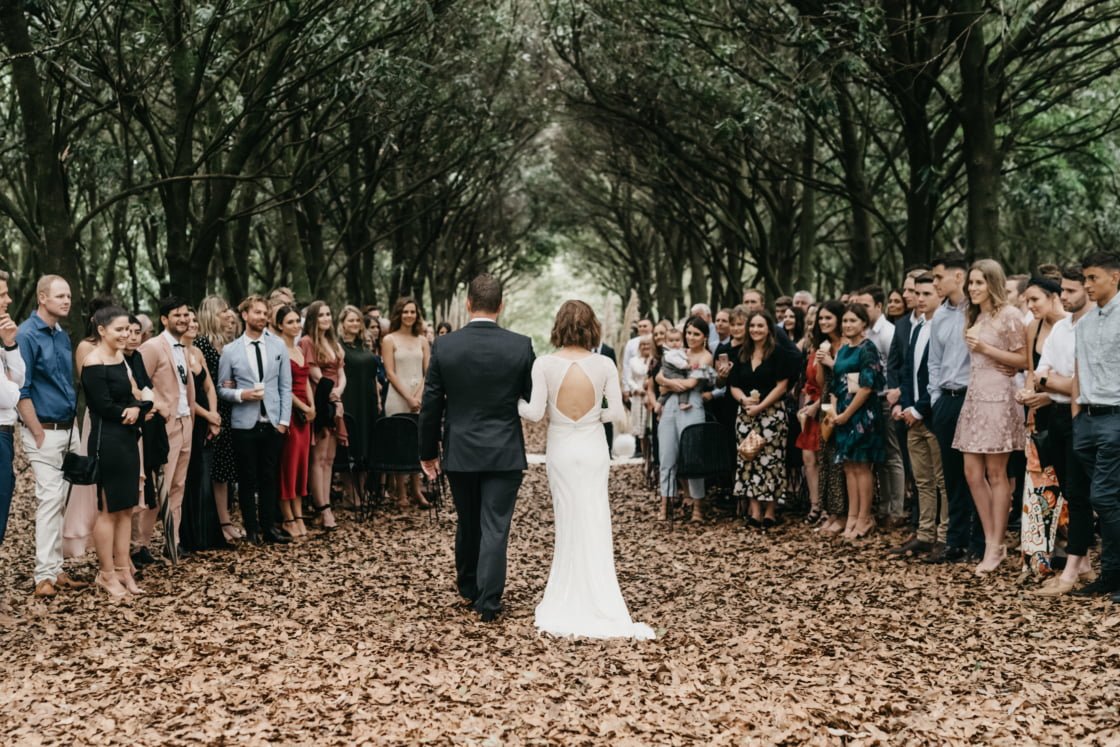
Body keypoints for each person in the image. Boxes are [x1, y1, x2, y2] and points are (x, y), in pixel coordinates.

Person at [516, 300, 654, 639]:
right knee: (595, 515)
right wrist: (594, 413)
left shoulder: (544, 364)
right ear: (592, 327)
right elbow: (615, 414)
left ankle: (567, 594)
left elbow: (534, 413)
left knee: (567, 518)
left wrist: (514, 402)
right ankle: (599, 593)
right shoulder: (604, 364)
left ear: (559, 327)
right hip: (593, 447)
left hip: (561, 448)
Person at [419, 274, 535, 623]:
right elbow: (530, 396)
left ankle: (469, 586)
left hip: (462, 450)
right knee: (495, 526)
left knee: (468, 521)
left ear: (468, 303)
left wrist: (427, 452)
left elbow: (431, 404)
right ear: (501, 305)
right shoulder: (520, 346)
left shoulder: (445, 346)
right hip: (504, 450)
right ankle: (489, 600)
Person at [951, 259, 1027, 574]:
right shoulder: (975, 315)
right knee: (972, 473)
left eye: (979, 282)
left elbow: (1023, 359)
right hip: (974, 397)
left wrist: (985, 348)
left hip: (999, 397)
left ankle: (996, 544)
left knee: (997, 473)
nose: (973, 288)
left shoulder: (1010, 315)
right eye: (971, 283)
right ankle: (989, 537)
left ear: (993, 283)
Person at [17, 275, 86, 597]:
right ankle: (43, 575)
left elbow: (65, 384)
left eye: (68, 295)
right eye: (60, 296)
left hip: (68, 429)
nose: (67, 300)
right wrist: (36, 431)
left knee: (62, 501)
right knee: (49, 500)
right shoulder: (26, 335)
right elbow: (21, 387)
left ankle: (56, 571)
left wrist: (74, 427)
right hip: (42, 431)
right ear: (42, 298)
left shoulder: (61, 335)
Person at [1031, 267, 1094, 595]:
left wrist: (1055, 381)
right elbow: (1039, 375)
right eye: (1063, 290)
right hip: (1054, 415)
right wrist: (1056, 381)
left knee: (1080, 494)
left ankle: (1070, 572)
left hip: (1080, 416)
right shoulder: (1059, 329)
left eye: (1071, 291)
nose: (1064, 296)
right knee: (1069, 491)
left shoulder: (1092, 327)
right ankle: (1083, 565)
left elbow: (1080, 385)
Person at [82, 306, 150, 597]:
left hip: (127, 438)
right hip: (106, 441)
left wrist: (137, 407)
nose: (126, 335)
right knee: (109, 509)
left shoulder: (121, 358)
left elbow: (136, 393)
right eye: (119, 329)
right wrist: (131, 410)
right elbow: (102, 405)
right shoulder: (93, 362)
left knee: (126, 509)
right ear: (102, 330)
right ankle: (106, 573)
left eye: (128, 329)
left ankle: (124, 570)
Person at [217, 295, 292, 546]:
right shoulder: (231, 350)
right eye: (257, 312)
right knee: (247, 478)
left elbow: (285, 386)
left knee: (269, 476)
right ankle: (251, 530)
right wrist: (242, 395)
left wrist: (283, 422)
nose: (262, 317)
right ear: (245, 315)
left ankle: (270, 528)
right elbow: (222, 389)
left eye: (265, 313)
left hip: (272, 422)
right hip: (243, 423)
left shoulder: (278, 346)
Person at [925, 254, 984, 564]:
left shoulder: (978, 312)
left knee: (976, 472)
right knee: (951, 474)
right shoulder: (940, 316)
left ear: (958, 276)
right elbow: (934, 361)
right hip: (946, 400)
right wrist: (936, 398)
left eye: (938, 277)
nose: (934, 282)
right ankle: (955, 541)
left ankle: (980, 542)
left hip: (974, 397)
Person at [1070, 252, 1120, 600]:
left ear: (1115, 278)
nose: (1087, 285)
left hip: (1115, 417)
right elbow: (1079, 370)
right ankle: (1111, 575)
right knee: (1109, 501)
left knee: (1103, 497)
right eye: (1084, 278)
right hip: (1086, 420)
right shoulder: (1085, 323)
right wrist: (1077, 417)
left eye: (1093, 278)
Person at [891, 275, 946, 558]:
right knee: (922, 479)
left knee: (942, 480)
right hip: (912, 415)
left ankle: (945, 535)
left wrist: (919, 408)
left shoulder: (943, 327)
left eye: (926, 293)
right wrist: (906, 404)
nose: (920, 298)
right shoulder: (917, 326)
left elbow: (940, 375)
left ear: (939, 295)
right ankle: (925, 533)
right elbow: (907, 372)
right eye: (917, 293)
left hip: (933, 414)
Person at [137, 297, 195, 559]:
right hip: (163, 426)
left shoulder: (183, 347)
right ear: (164, 319)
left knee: (178, 486)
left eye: (185, 315)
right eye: (176, 315)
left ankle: (173, 542)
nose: (183, 319)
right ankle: (139, 545)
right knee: (159, 485)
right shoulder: (152, 347)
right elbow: (137, 382)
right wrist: (156, 407)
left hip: (185, 423)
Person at [728, 311, 790, 530]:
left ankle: (770, 510)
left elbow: (782, 386)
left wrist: (761, 407)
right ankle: (754, 510)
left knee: (771, 461)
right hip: (746, 415)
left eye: (760, 326)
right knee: (749, 460)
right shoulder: (742, 353)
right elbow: (733, 385)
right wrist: (743, 400)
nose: (755, 330)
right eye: (752, 326)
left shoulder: (778, 353)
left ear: (769, 328)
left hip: (771, 415)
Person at [831, 303, 886, 539]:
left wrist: (847, 414)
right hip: (841, 413)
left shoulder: (868, 348)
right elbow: (835, 383)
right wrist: (834, 412)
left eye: (853, 320)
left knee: (862, 466)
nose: (848, 325)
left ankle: (864, 518)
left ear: (864, 323)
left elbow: (867, 386)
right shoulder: (843, 350)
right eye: (845, 321)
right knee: (848, 465)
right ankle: (852, 516)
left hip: (863, 414)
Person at [852, 285, 903, 527]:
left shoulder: (887, 332)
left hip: (886, 399)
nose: (862, 310)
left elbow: (897, 366)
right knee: (879, 456)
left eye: (866, 306)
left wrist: (897, 396)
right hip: (869, 400)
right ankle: (884, 506)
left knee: (893, 455)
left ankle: (897, 509)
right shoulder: (864, 333)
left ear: (879, 306)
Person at [655, 317, 714, 522]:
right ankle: (665, 504)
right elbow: (658, 377)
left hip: (693, 405)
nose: (691, 337)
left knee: (693, 455)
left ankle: (698, 507)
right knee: (666, 455)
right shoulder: (679, 351)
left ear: (705, 337)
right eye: (688, 333)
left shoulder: (706, 357)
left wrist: (667, 383)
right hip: (670, 405)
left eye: (696, 334)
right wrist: (666, 382)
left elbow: (691, 383)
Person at [195, 296, 241, 543]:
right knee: (212, 469)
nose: (229, 314)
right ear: (211, 315)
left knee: (224, 469)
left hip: (230, 408)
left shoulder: (229, 344)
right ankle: (217, 522)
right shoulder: (201, 344)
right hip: (211, 411)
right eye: (223, 311)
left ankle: (226, 520)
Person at [179, 310, 224, 551]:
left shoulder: (197, 352)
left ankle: (207, 534)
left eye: (195, 320)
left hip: (207, 419)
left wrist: (214, 416)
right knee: (190, 476)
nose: (193, 324)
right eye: (188, 321)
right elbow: (184, 394)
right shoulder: (177, 353)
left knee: (205, 474)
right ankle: (189, 536)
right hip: (191, 418)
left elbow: (209, 387)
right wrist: (207, 415)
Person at [299, 300, 346, 528]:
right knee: (318, 457)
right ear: (312, 319)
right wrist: (333, 397)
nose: (326, 318)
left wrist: (339, 394)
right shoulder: (307, 342)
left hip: (336, 399)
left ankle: (326, 503)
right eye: (321, 315)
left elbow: (342, 374)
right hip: (320, 399)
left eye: (328, 314)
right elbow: (316, 375)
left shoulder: (333, 342)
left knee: (329, 458)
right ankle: (322, 507)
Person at [383, 296, 430, 508]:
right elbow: (390, 373)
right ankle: (400, 492)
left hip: (419, 396)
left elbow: (427, 372)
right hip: (397, 396)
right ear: (399, 314)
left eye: (412, 312)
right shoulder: (389, 340)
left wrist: (418, 396)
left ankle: (417, 490)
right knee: (399, 442)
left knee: (416, 443)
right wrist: (408, 397)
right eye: (405, 312)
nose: (409, 315)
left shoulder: (422, 341)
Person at [813, 301, 850, 534]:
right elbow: (821, 382)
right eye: (821, 319)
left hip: (844, 402)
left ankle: (845, 514)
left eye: (828, 318)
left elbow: (848, 377)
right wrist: (820, 362)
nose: (824, 322)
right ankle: (832, 512)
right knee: (826, 457)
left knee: (840, 459)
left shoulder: (847, 344)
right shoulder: (824, 345)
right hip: (826, 402)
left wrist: (831, 362)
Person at [337, 305, 378, 507]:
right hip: (349, 399)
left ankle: (362, 489)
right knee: (350, 443)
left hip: (368, 400)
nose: (354, 323)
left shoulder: (364, 345)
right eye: (350, 320)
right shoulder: (338, 347)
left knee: (366, 443)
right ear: (342, 323)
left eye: (357, 320)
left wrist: (378, 399)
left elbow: (373, 376)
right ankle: (350, 492)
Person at [277, 306, 313, 538]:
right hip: (289, 411)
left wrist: (312, 406)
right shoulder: (278, 349)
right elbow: (282, 386)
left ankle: (299, 515)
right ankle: (287, 517)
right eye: (290, 322)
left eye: (297, 321)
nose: (295, 325)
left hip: (305, 415)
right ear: (280, 325)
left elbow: (306, 380)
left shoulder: (299, 348)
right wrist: (303, 407)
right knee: (287, 466)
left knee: (301, 466)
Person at [0, 271, 24, 547]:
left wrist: (10, 344)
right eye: (2, 295)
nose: (8, 300)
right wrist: (10, 387)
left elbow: (19, 378)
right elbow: (7, 398)